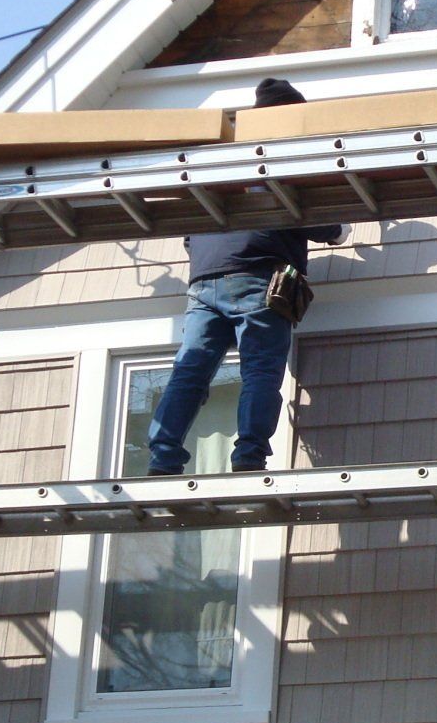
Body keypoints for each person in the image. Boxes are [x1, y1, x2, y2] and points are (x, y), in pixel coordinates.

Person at [146, 78, 343, 475]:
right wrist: (339, 228)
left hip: (204, 279)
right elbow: (312, 218)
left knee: (190, 370)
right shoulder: (282, 155)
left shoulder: (222, 159)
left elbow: (189, 234)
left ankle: (163, 457)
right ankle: (249, 454)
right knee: (260, 369)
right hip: (257, 276)